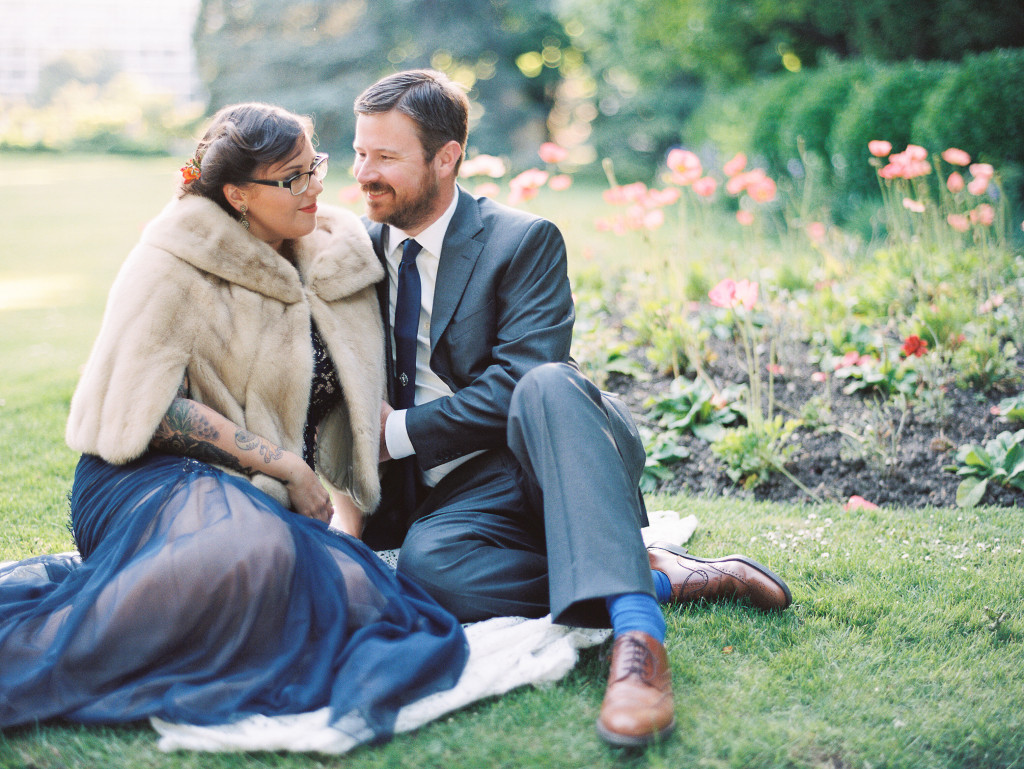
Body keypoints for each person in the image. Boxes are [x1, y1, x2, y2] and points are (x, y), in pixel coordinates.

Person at [351, 69, 793, 748]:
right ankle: (656, 571)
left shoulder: (521, 239)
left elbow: (519, 381)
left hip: (557, 444)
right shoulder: (352, 252)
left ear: (447, 157)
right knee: (428, 566)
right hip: (460, 492)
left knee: (547, 381)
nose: (364, 173)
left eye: (385, 157)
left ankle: (638, 637)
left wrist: (398, 433)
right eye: (359, 153)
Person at [0, 103, 468, 742]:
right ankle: (33, 664)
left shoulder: (338, 255)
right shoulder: (173, 259)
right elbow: (144, 407)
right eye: (291, 179)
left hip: (262, 498)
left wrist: (345, 521)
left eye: (314, 167)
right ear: (237, 194)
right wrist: (279, 464)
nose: (315, 188)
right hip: (147, 477)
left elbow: (338, 417)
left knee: (360, 602)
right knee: (247, 551)